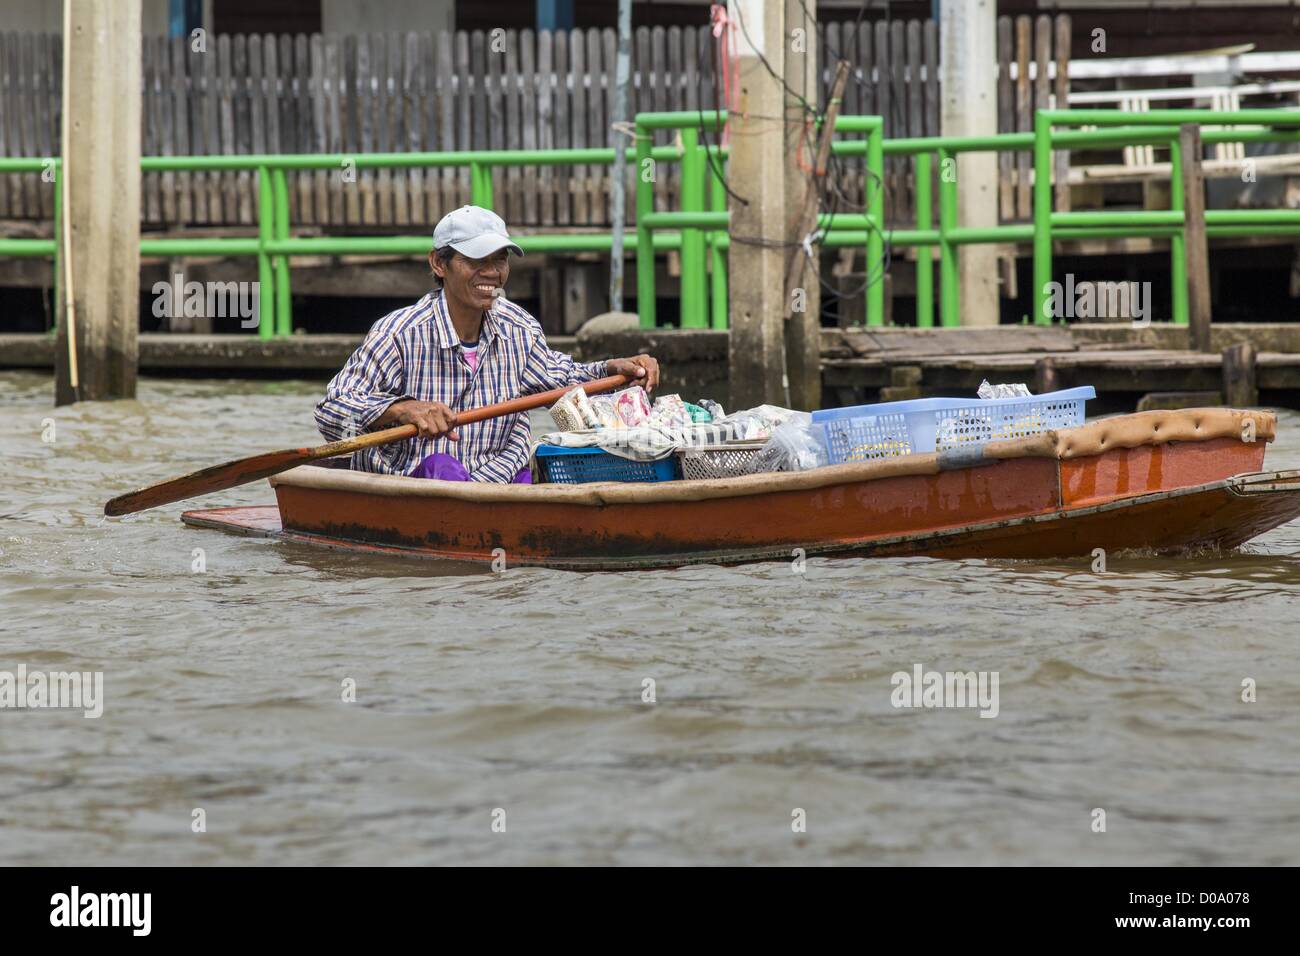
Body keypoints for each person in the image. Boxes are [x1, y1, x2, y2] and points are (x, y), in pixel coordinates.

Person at [315, 205, 659, 482]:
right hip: (418, 479)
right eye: (476, 260)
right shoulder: (399, 333)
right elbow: (332, 413)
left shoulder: (518, 327)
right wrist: (404, 409)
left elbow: (562, 378)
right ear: (439, 263)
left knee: (537, 471)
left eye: (500, 260)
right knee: (442, 465)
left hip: (498, 477)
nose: (492, 272)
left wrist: (616, 369)